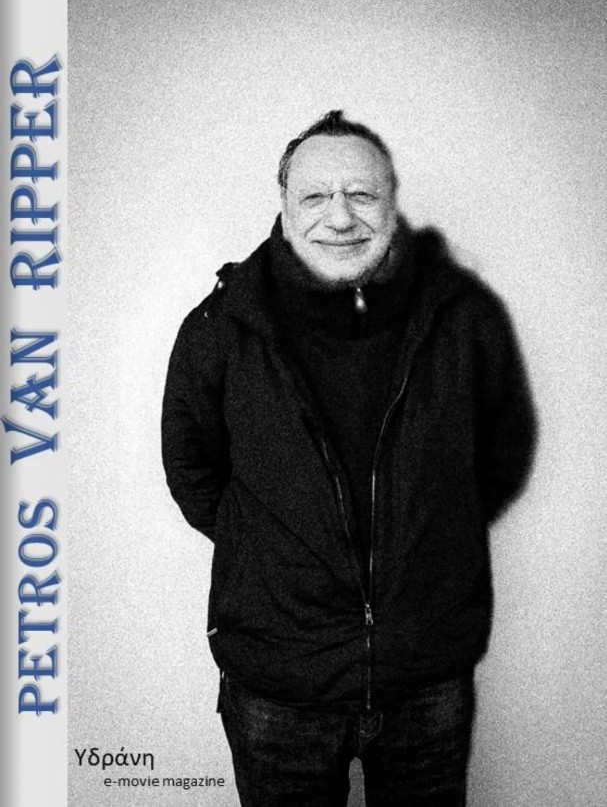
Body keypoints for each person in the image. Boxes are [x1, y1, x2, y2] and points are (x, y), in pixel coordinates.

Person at [161, 110, 536, 806]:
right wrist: (268, 545)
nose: (339, 217)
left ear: (391, 203)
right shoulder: (219, 329)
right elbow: (192, 470)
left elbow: (502, 454)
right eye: (315, 195)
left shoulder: (464, 318)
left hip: (425, 677)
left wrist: (430, 535)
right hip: (278, 684)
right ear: (284, 205)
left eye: (361, 194)